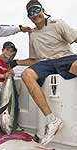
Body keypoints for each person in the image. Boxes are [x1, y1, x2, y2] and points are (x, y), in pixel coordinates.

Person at [11, 0, 77, 146]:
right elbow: (34, 59)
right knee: (26, 75)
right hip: (46, 63)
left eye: (37, 10)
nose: (35, 15)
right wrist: (15, 62)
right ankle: (52, 121)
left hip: (66, 58)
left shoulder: (57, 24)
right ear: (29, 17)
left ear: (43, 10)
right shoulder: (32, 35)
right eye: (31, 13)